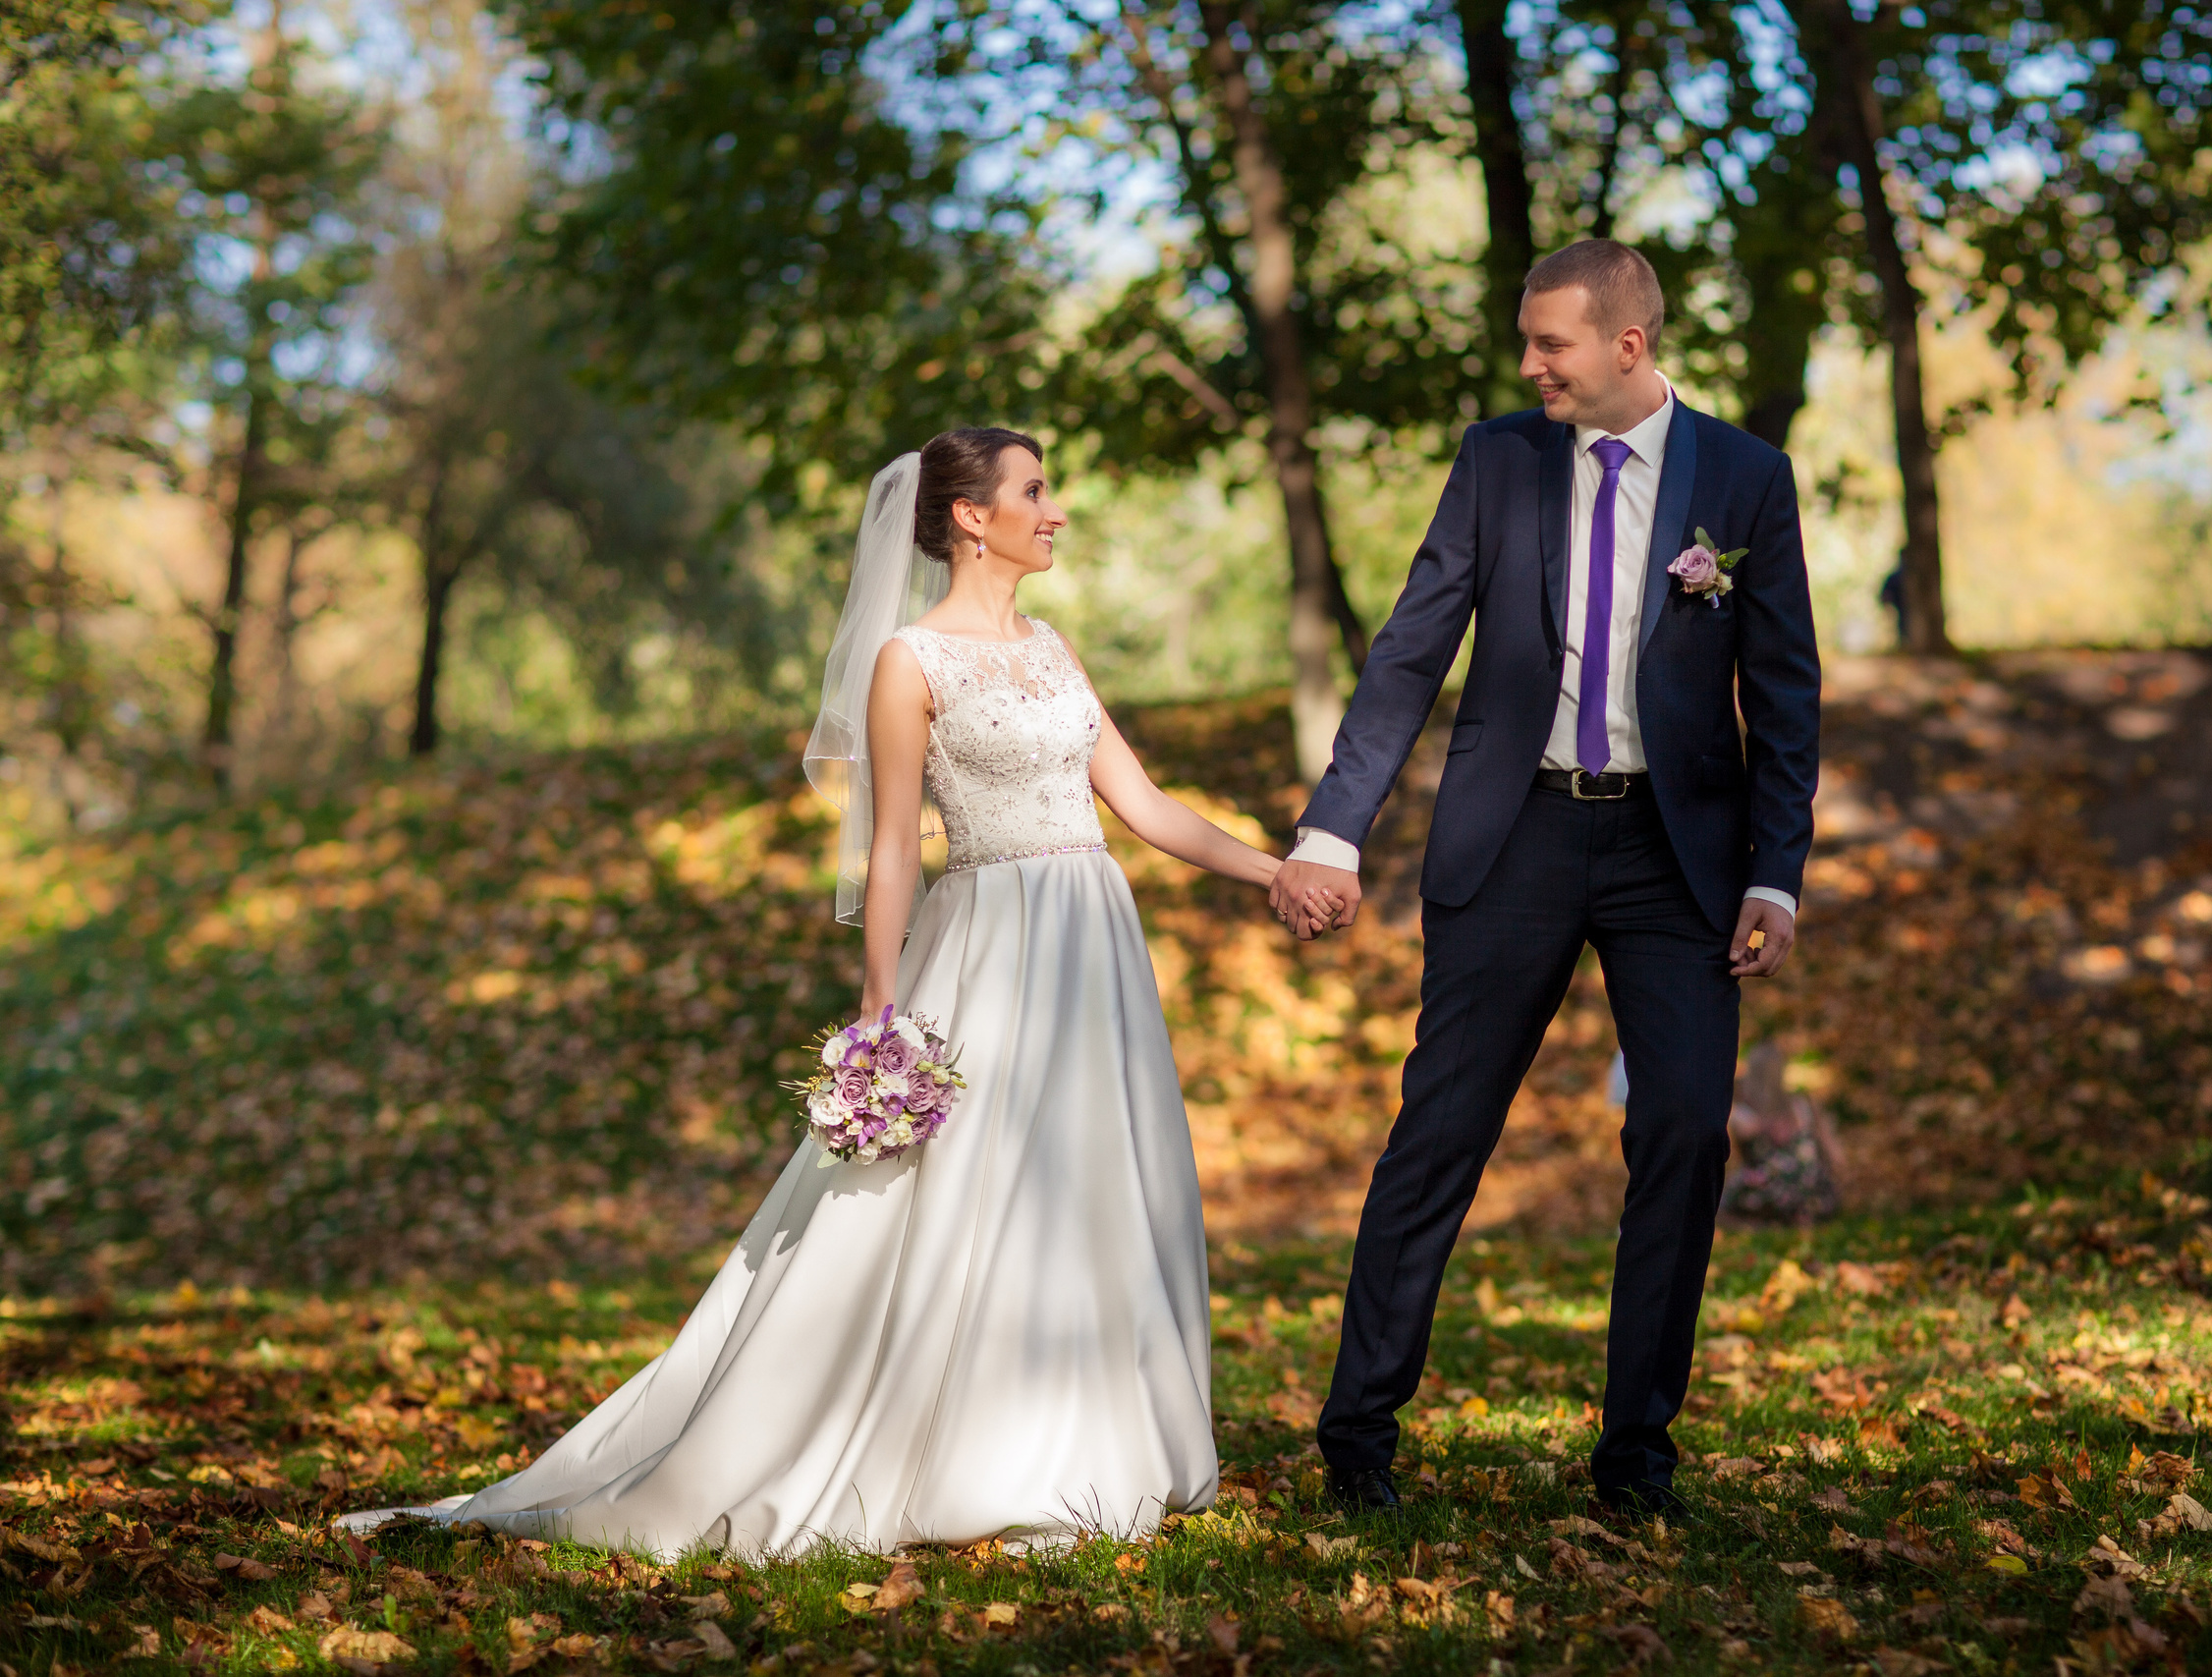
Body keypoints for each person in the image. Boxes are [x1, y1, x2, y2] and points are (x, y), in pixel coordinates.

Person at [344, 428, 1325, 1556]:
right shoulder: (909, 661)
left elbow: (1144, 807)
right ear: (970, 515)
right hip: (990, 944)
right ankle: (962, 1450)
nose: (1054, 512)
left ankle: (1097, 1439)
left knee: (1093, 1175)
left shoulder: (1054, 650)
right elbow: (896, 848)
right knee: (962, 1193)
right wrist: (879, 1012)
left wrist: (1278, 869)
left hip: (1093, 945)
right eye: (1036, 491)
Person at [1271, 240, 1821, 1522]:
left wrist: (1778, 874)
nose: (1531, 365)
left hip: (1674, 857)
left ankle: (1637, 1458)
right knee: (1442, 1131)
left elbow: (1785, 692)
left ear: (1628, 344)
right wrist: (1334, 826)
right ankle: (1357, 1436)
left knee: (1684, 1130)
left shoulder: (1745, 477)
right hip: (1510, 835)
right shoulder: (1499, 459)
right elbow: (1411, 647)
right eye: (1528, 343)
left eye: (1553, 344)